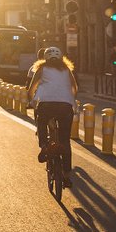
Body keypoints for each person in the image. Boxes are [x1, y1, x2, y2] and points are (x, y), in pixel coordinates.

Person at [28, 47, 78, 187]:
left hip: (46, 105)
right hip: (65, 107)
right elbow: (75, 88)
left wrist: (31, 101)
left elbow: (32, 89)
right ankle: (67, 175)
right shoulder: (67, 70)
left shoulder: (42, 69)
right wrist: (70, 99)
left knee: (42, 121)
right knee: (65, 142)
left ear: (45, 59)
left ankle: (44, 145)